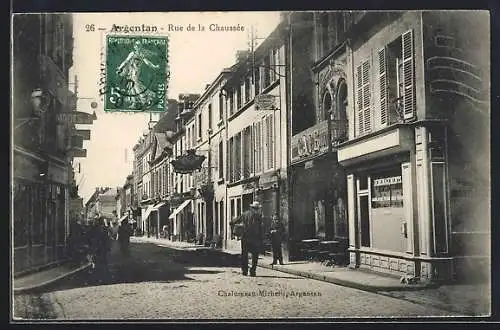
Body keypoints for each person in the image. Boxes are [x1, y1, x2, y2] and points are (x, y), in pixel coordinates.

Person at [230, 201, 263, 277]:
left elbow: (233, 222)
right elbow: (260, 228)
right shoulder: (258, 216)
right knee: (255, 255)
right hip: (255, 239)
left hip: (245, 238)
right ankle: (253, 271)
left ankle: (244, 271)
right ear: (257, 209)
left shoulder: (244, 214)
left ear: (251, 208)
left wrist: (235, 232)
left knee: (244, 255)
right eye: (258, 208)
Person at [88, 216, 111, 283]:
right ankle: (102, 277)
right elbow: (106, 239)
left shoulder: (96, 228)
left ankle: (99, 277)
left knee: (98, 262)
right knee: (101, 262)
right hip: (100, 248)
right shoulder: (103, 229)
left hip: (98, 248)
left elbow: (89, 237)